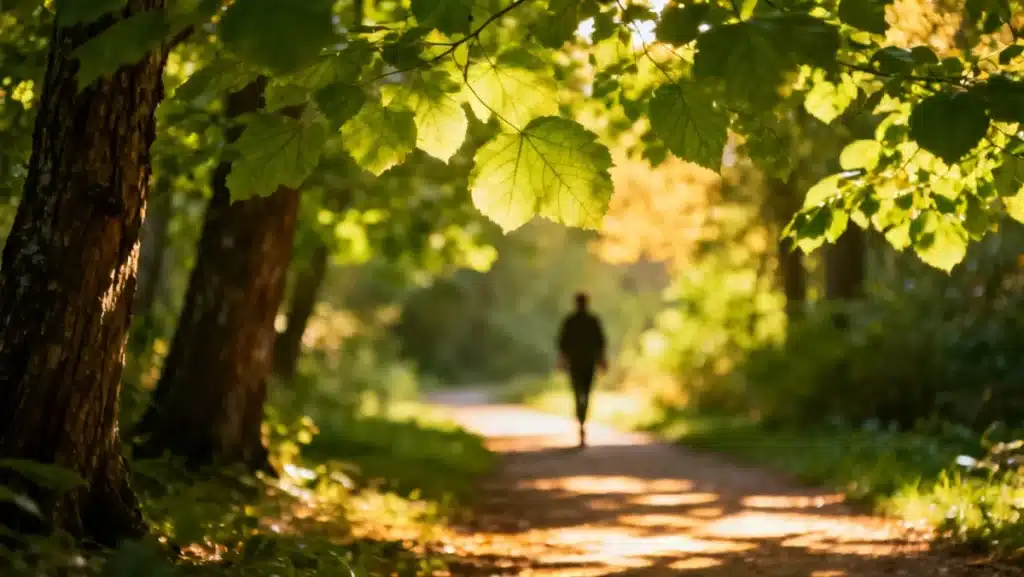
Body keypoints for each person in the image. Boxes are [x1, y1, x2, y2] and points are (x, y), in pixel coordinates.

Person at [556, 292, 607, 448]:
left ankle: (581, 421)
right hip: (588, 362)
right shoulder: (593, 321)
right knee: (586, 392)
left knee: (578, 392)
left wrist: (562, 361)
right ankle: (582, 420)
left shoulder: (570, 321)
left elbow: (562, 343)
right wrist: (602, 360)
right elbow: (601, 342)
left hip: (575, 363)